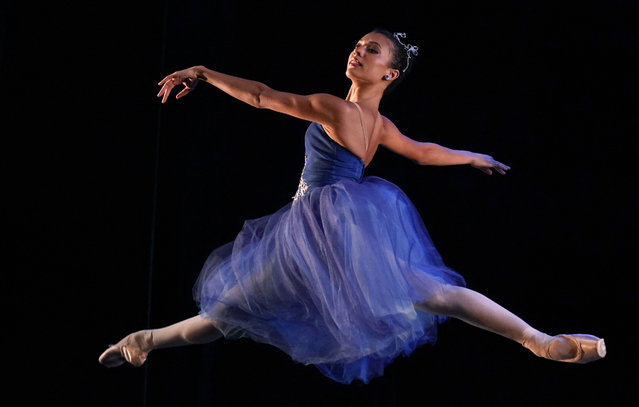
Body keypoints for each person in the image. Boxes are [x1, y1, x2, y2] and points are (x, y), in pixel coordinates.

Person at [99, 29, 606, 384]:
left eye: (373, 50)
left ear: (390, 73)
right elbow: (424, 153)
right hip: (316, 225)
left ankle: (538, 340)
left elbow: (259, 96)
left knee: (426, 292)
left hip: (325, 223)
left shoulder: (335, 107)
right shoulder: (378, 126)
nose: (359, 52)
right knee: (234, 310)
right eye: (359, 45)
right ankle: (143, 340)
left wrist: (204, 72)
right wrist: (470, 156)